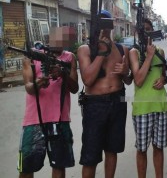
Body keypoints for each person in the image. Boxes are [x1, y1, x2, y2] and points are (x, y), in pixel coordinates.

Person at [17, 26, 79, 178]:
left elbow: (75, 88)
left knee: (59, 166)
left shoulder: (70, 57)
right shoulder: (31, 56)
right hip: (33, 121)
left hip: (60, 120)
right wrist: (38, 84)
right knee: (25, 168)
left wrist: (63, 74)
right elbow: (29, 87)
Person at [77, 10, 131, 178]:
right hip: (95, 104)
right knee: (90, 156)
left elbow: (128, 81)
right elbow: (87, 79)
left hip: (118, 100)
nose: (104, 28)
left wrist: (125, 71)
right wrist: (101, 53)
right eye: (100, 23)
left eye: (107, 23)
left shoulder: (123, 50)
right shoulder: (86, 49)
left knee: (112, 149)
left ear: (112, 25)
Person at [129, 19, 167, 178]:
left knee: (159, 148)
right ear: (138, 33)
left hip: (161, 105)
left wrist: (163, 80)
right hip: (142, 108)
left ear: (153, 31)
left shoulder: (160, 51)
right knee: (142, 149)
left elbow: (163, 75)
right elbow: (138, 80)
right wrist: (148, 56)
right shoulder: (135, 52)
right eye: (143, 30)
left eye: (148, 29)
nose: (146, 33)